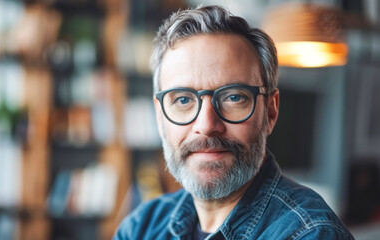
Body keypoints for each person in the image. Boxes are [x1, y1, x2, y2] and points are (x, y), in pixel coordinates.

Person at [114, 5, 354, 240]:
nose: (206, 125)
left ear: (270, 112)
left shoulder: (312, 234)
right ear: (160, 117)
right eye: (183, 99)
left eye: (234, 97)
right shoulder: (140, 227)